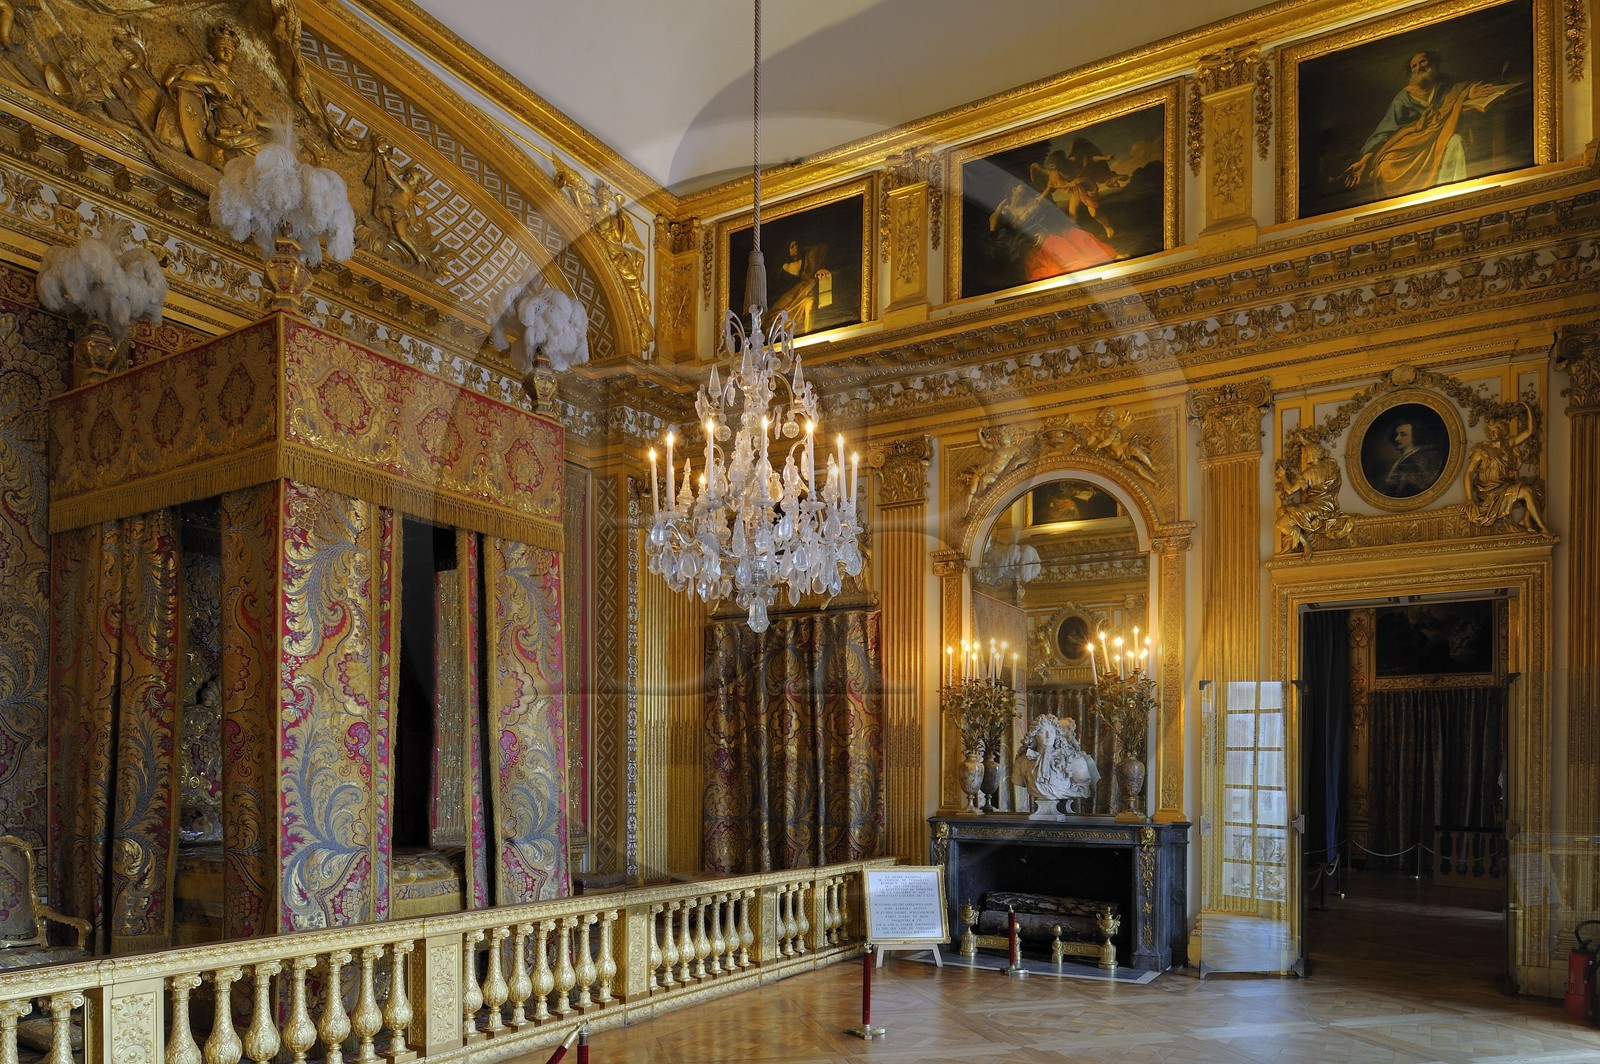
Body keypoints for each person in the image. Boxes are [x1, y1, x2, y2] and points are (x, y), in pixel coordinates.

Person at [1342, 50, 1520, 200]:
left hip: (1441, 137)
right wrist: (1366, 159)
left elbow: (1463, 89)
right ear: (1411, 73)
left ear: (1434, 63)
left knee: (1455, 142)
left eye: (1423, 62)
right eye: (1414, 66)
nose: (1419, 67)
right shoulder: (1403, 98)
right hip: (1411, 144)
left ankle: (1454, 197)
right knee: (1386, 168)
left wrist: (1468, 92)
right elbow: (1385, 130)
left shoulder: (1448, 84)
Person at [157, 20, 270, 169]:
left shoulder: (236, 86)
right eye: (222, 48)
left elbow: (251, 115)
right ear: (214, 50)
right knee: (264, 155)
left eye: (230, 49)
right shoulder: (207, 67)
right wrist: (212, 82)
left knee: (270, 151)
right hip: (223, 121)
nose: (227, 52)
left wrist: (251, 113)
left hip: (243, 126)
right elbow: (184, 76)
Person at [1463, 400, 1547, 533]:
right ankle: (1543, 528)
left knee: (1537, 486)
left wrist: (1529, 410)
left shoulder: (1509, 443)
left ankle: (1527, 520)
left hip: (1506, 486)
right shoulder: (1481, 451)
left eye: (1496, 430)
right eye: (1490, 431)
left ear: (1502, 431)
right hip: (1490, 493)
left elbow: (1530, 431)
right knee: (1527, 491)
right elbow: (1468, 474)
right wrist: (1469, 499)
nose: (1493, 434)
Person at [1017, 713, 1099, 815]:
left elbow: (1083, 788)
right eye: (1043, 731)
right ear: (1034, 735)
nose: (1048, 736)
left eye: (1052, 731)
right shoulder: (1022, 761)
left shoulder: (1072, 760)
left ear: (1057, 735)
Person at [1379, 418, 1443, 497]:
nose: (1397, 438)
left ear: (1415, 435)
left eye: (1403, 434)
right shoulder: (1402, 458)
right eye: (1396, 434)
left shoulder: (1418, 460)